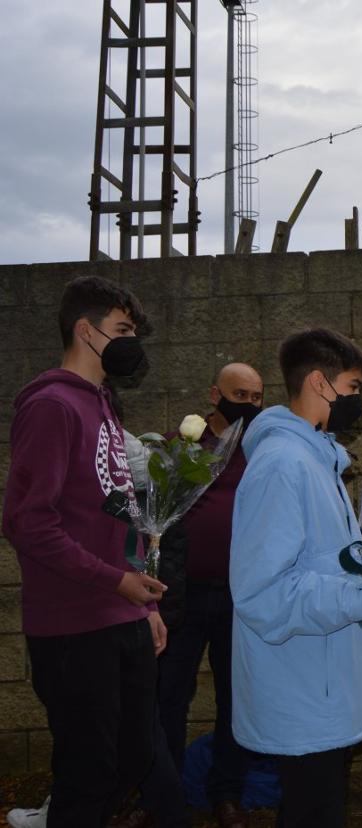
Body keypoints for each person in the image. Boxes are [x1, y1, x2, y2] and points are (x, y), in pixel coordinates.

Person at [3, 276, 166, 827]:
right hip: (75, 626)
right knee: (88, 774)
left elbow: (121, 517)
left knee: (133, 758)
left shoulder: (105, 407)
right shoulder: (51, 406)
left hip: (121, 613)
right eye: (122, 330)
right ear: (84, 330)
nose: (130, 342)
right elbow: (28, 522)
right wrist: (113, 581)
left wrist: (144, 606)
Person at [229, 328, 362, 828]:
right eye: (352, 388)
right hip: (303, 687)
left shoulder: (316, 459)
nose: (358, 402)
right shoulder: (284, 464)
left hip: (319, 683)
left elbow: (320, 561)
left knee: (318, 807)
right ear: (317, 383)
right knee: (312, 810)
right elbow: (263, 592)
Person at [151, 363, 263, 828]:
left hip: (240, 596)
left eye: (258, 396)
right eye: (241, 394)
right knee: (167, 696)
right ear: (214, 393)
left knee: (235, 699)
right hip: (182, 595)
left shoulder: (261, 449)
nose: (250, 404)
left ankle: (226, 794)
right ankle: (163, 795)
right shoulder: (181, 446)